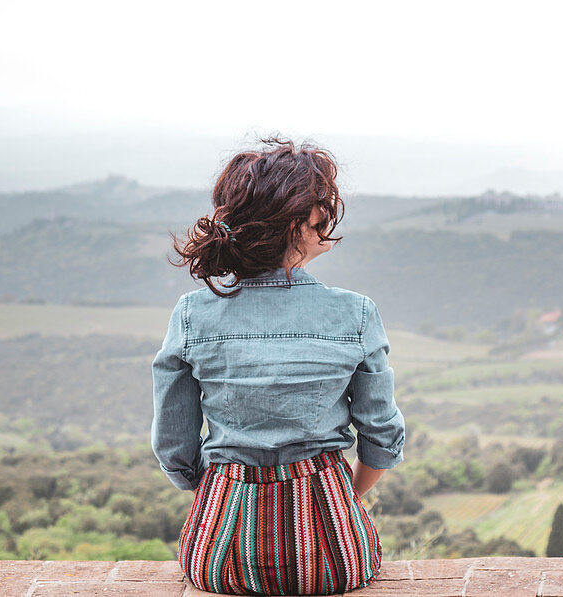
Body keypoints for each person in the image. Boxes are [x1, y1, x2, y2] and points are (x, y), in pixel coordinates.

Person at [151, 135, 405, 595]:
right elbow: (381, 438)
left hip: (220, 554)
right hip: (332, 555)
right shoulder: (356, 313)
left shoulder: (192, 313)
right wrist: (341, 498)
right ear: (295, 226)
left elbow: (173, 444)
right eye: (321, 211)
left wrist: (217, 497)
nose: (328, 219)